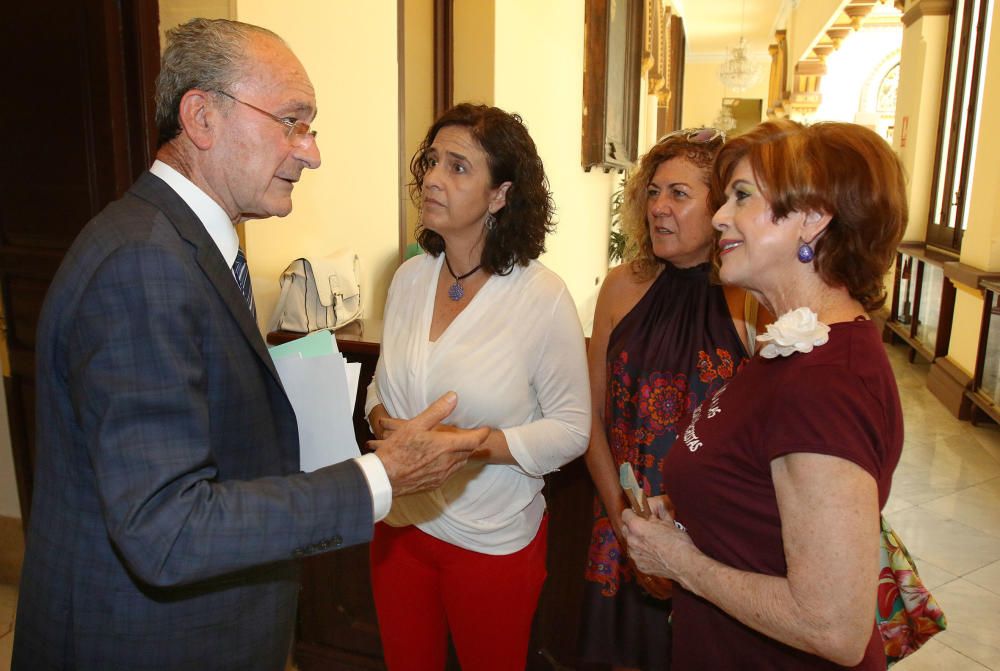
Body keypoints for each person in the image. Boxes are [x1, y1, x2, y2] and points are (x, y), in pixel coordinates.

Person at [12, 19, 486, 671]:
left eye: (311, 126)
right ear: (202, 117)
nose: (311, 151)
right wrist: (381, 476)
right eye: (292, 121)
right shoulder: (144, 264)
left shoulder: (183, 242)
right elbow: (167, 529)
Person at [622, 119, 907, 669]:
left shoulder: (827, 383)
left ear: (814, 218)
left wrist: (683, 564)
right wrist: (695, 519)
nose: (721, 215)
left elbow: (833, 627)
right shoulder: (792, 347)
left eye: (742, 196)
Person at [365, 103, 591, 670]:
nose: (434, 178)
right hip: (398, 525)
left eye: (459, 167)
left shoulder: (543, 298)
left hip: (490, 541)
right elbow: (381, 387)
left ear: (499, 196)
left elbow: (572, 430)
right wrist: (382, 424)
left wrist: (466, 444)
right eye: (432, 161)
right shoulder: (410, 276)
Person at [579, 128, 759, 670]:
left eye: (679, 194)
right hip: (622, 523)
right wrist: (622, 521)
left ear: (723, 205)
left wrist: (685, 551)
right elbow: (591, 417)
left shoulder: (749, 300)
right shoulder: (621, 287)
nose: (659, 207)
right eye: (653, 192)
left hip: (713, 544)